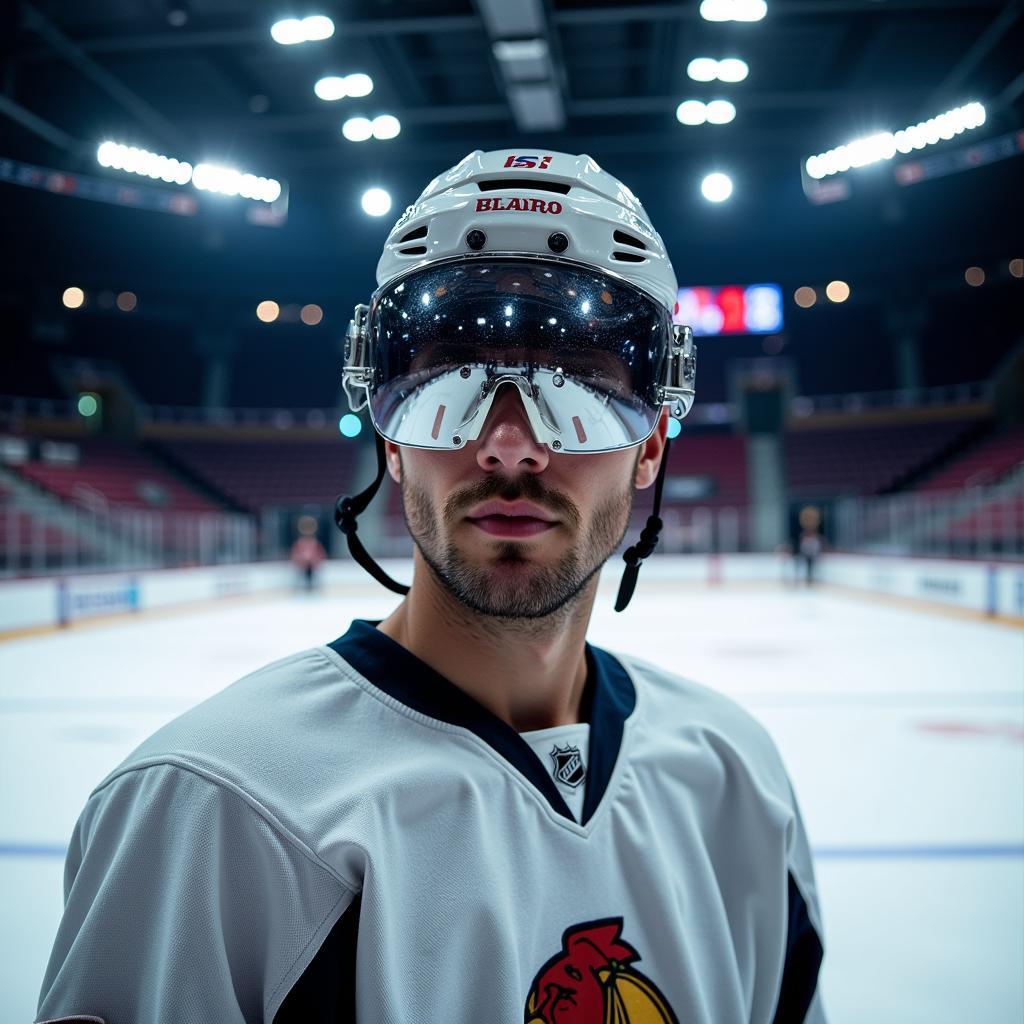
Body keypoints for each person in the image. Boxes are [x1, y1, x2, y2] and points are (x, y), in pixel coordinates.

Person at [37, 150, 826, 1024]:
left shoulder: (737, 780)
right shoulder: (206, 814)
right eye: (452, 374)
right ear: (388, 434)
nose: (511, 446)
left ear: (651, 446)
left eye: (585, 387)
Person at [290, 514, 327, 591]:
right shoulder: (299, 543)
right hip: (302, 568)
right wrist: (301, 561)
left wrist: (314, 561)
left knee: (312, 579)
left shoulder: (315, 543)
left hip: (312, 568)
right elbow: (294, 555)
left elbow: (321, 555)